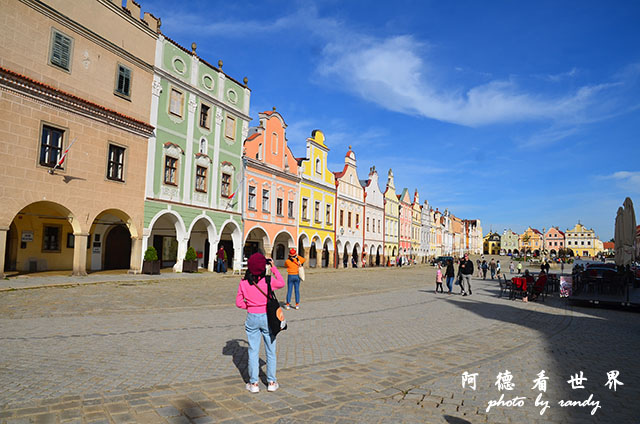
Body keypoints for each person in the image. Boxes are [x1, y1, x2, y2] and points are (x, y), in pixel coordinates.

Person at [235, 252, 285, 393]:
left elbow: (239, 303)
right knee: (270, 351)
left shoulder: (243, 283)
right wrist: (274, 267)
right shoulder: (268, 281)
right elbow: (281, 282)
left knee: (253, 351)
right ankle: (271, 382)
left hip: (252, 317)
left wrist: (250, 306)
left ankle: (254, 384)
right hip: (267, 317)